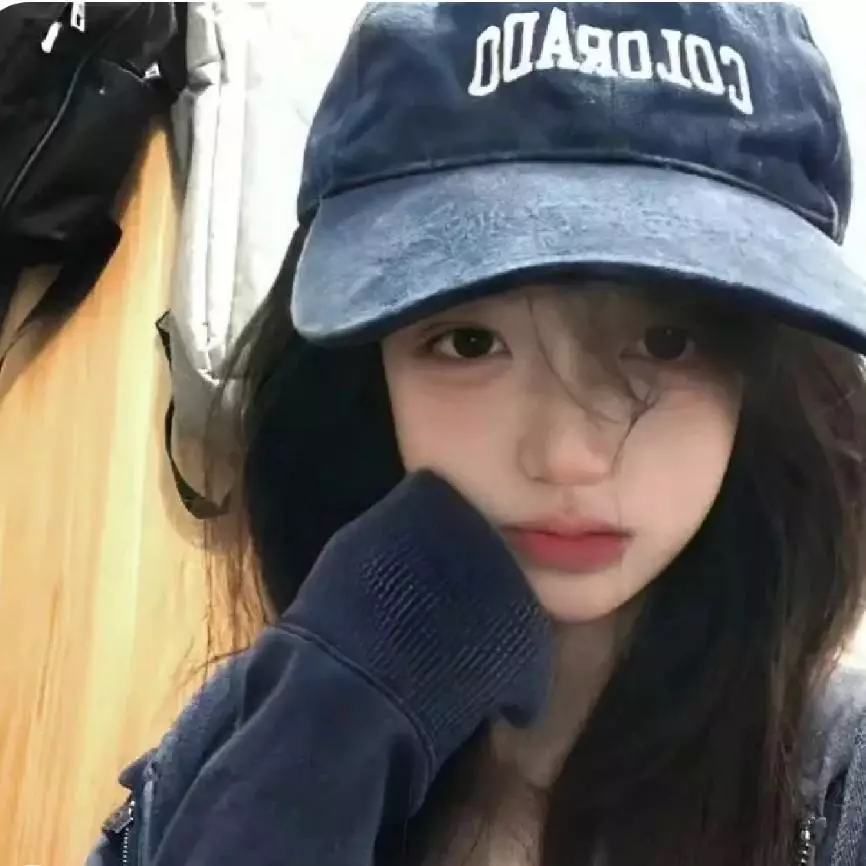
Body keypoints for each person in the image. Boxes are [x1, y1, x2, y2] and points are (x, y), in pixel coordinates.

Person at [86, 3, 866, 865]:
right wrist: (304, 761)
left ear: (768, 377)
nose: (568, 456)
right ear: (364, 369)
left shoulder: (843, 787)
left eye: (666, 341)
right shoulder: (242, 739)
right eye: (468, 342)